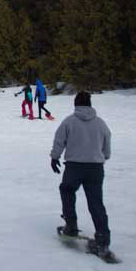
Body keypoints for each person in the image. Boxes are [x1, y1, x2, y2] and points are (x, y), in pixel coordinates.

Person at [51, 91, 112, 258]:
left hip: (74, 166)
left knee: (67, 191)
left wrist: (54, 157)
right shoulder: (101, 124)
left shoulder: (69, 122)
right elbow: (107, 146)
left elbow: (59, 140)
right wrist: (102, 157)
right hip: (96, 168)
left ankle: (71, 226)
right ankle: (103, 239)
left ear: (76, 104)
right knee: (96, 202)